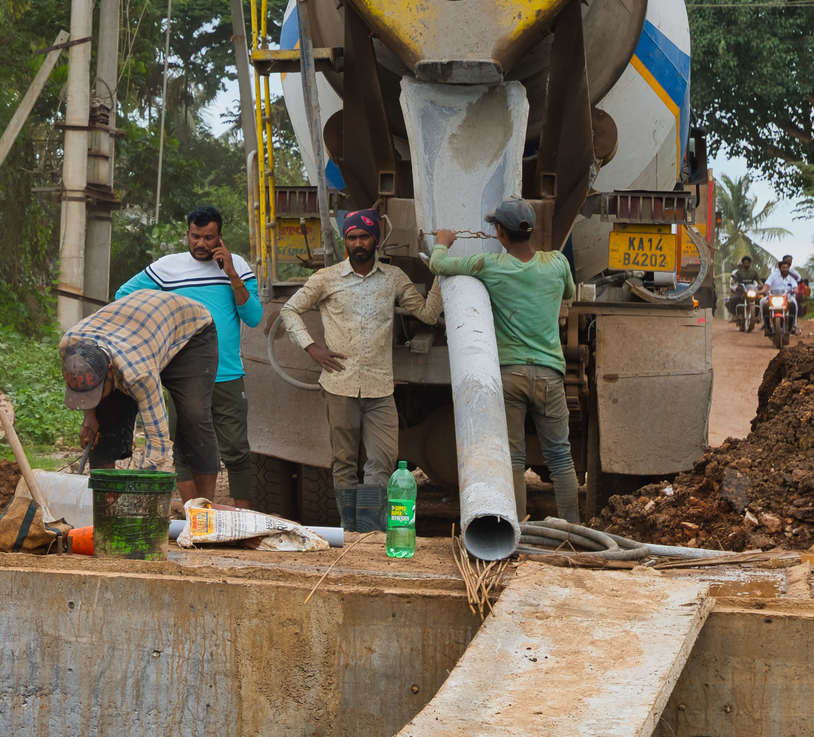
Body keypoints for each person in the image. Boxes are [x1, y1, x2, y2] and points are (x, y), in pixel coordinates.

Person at [277, 209, 442, 533]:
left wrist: (442, 267)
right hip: (340, 384)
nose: (358, 243)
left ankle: (369, 530)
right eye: (351, 237)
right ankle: (350, 530)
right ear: (345, 242)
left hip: (381, 387)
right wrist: (312, 347)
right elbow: (289, 309)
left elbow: (428, 314)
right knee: (344, 463)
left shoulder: (393, 278)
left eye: (364, 236)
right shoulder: (327, 278)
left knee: (381, 461)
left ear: (375, 239)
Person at [430, 198, 578, 522]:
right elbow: (569, 293)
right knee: (561, 457)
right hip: (551, 376)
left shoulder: (490, 265)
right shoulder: (556, 264)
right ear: (532, 228)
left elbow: (439, 267)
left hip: (510, 375)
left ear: (499, 232)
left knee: (513, 458)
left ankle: (519, 528)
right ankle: (573, 530)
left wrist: (442, 244)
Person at [113, 205, 262, 508]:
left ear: (220, 237)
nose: (201, 244)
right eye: (196, 236)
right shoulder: (167, 268)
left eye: (209, 238)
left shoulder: (239, 267)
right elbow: (123, 296)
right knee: (184, 445)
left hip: (228, 373)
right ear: (187, 234)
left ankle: (244, 516)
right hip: (184, 376)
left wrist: (232, 273)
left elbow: (255, 317)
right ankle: (193, 513)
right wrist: (161, 323)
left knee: (236, 448)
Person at [60, 290, 220, 496]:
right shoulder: (69, 346)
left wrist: (135, 494)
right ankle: (103, 504)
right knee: (104, 418)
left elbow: (158, 443)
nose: (94, 397)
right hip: (137, 330)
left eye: (97, 391)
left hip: (189, 331)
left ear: (110, 370)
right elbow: (84, 386)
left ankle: (205, 509)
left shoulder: (138, 373)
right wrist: (89, 417)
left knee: (194, 415)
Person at [766, 255, 803, 335]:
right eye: (784, 267)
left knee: (794, 304)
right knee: (763, 303)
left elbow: (798, 280)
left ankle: (793, 325)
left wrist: (796, 291)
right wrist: (762, 291)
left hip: (788, 296)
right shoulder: (774, 274)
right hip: (774, 295)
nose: (789, 262)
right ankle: (766, 325)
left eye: (790, 261)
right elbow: (767, 285)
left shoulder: (792, 275)